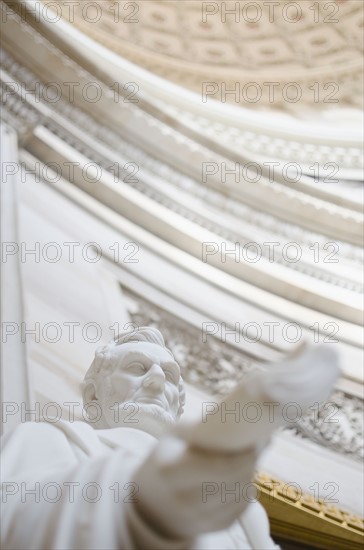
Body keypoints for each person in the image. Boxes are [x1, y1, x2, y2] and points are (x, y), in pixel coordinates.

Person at [1, 327, 338, 549]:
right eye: (136, 368)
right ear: (92, 396)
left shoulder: (246, 513)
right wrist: (148, 509)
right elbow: (13, 526)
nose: (156, 382)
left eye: (169, 375)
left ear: (179, 404)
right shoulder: (50, 440)